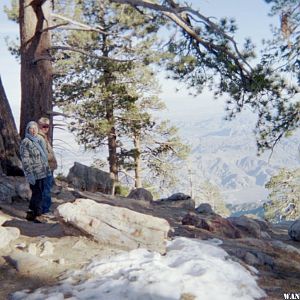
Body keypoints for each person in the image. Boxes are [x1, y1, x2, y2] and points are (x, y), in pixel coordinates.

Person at [20, 121, 50, 223]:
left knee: (39, 192)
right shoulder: (26, 142)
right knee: (38, 193)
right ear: (28, 130)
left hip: (43, 170)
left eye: (35, 128)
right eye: (31, 129)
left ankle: (30, 213)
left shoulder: (40, 139)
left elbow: (44, 156)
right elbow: (25, 160)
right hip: (34, 172)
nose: (33, 131)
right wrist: (29, 174)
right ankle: (38, 215)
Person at [37, 117, 58, 215]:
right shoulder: (39, 138)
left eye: (47, 126)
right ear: (39, 126)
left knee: (45, 189)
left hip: (47, 167)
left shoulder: (43, 137)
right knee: (45, 190)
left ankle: (42, 209)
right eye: (44, 126)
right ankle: (45, 210)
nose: (46, 128)